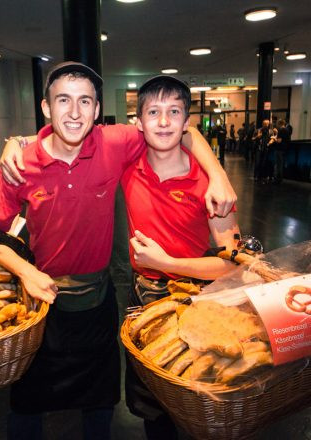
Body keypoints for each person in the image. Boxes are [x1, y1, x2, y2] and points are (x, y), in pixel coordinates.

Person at [0, 61, 236, 440]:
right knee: (26, 403)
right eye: (64, 101)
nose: (74, 112)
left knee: (105, 402)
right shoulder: (23, 164)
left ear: (97, 109)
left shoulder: (115, 146)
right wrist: (26, 272)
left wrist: (218, 173)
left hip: (108, 301)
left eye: (85, 101)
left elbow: (179, 132)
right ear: (45, 107)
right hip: (42, 300)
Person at [120, 75, 239, 440]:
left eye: (174, 112)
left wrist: (168, 263)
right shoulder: (127, 164)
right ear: (138, 123)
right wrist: (16, 142)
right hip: (144, 298)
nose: (163, 121)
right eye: (153, 112)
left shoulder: (209, 185)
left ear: (186, 121)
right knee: (154, 410)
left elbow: (233, 263)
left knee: (200, 402)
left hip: (197, 301)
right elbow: (71, 137)